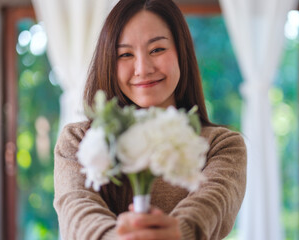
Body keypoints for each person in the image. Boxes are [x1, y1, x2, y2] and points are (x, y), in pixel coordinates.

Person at [54, 0, 247, 239]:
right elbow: (78, 212)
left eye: (157, 49)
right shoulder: (79, 141)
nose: (142, 69)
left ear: (181, 52)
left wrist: (178, 233)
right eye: (125, 54)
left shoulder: (222, 146)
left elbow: (210, 208)